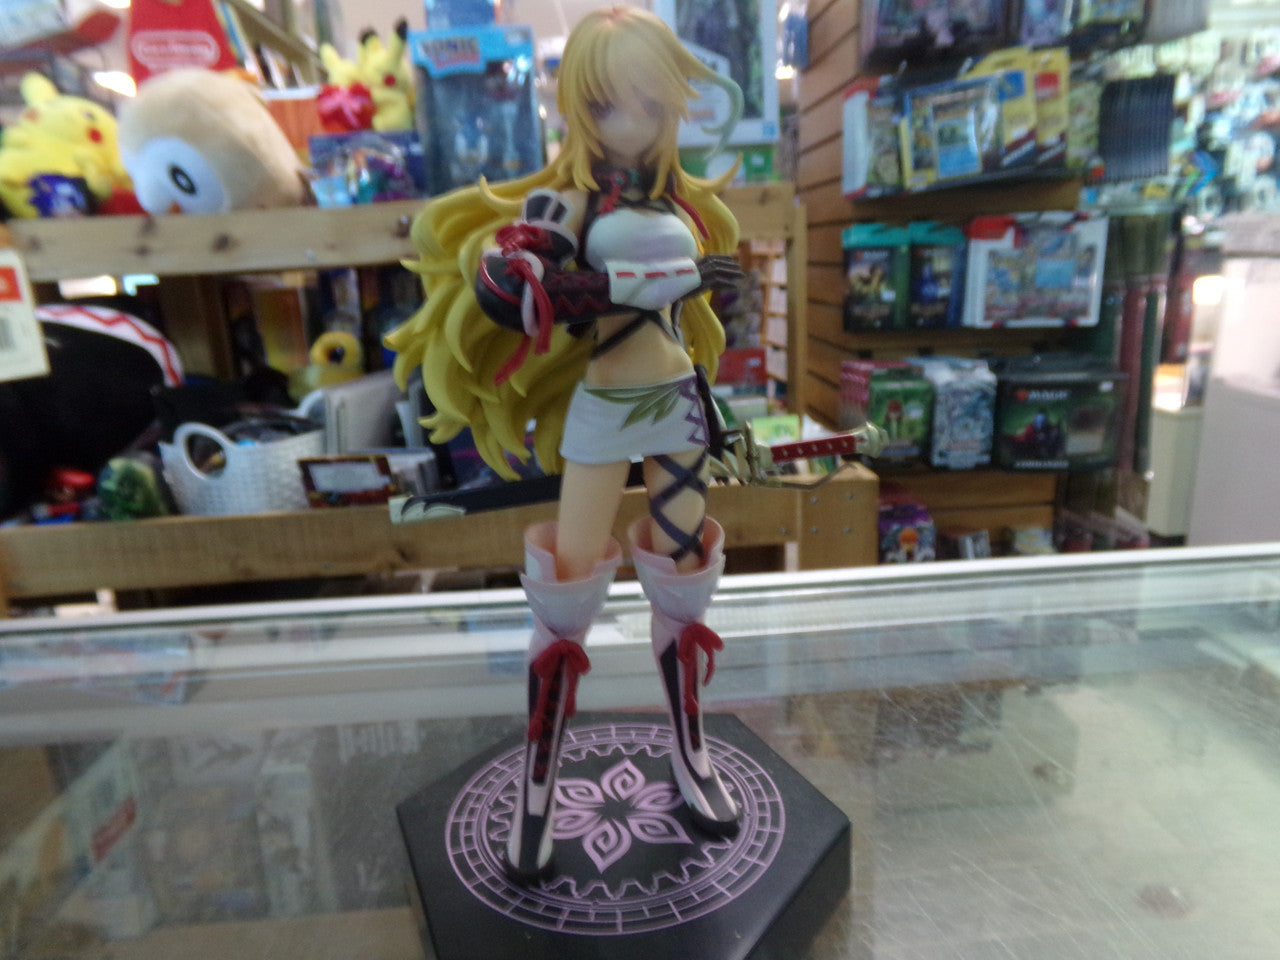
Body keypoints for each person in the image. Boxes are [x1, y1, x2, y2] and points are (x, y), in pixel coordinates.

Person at [386, 6, 745, 881]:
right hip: (607, 405)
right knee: (567, 595)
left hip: (678, 403)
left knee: (683, 584)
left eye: (652, 103)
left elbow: (690, 304)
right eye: (613, 103)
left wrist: (709, 291)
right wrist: (661, 278)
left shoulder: (677, 203)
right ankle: (539, 787)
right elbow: (519, 292)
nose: (635, 121)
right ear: (580, 106)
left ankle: (690, 753)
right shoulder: (566, 202)